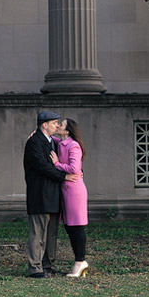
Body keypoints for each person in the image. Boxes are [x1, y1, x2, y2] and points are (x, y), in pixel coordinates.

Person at [23, 110, 78, 278]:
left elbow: (66, 160)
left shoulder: (54, 142)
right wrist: (64, 176)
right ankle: (35, 267)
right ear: (44, 125)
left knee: (51, 234)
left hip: (54, 195)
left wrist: (76, 171)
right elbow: (43, 166)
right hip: (39, 194)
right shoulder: (34, 143)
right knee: (38, 232)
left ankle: (48, 265)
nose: (57, 126)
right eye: (54, 123)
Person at [51, 118, 89, 277]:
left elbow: (74, 168)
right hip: (67, 190)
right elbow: (52, 138)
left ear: (68, 130)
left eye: (61, 124)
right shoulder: (62, 143)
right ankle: (79, 261)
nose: (58, 125)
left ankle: (80, 261)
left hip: (74, 190)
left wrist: (57, 164)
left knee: (77, 226)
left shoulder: (73, 145)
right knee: (69, 226)